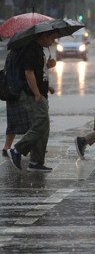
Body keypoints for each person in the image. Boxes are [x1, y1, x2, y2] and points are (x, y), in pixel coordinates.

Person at [7, 30, 59, 172]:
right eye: (52, 37)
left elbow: (37, 72)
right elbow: (28, 73)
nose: (53, 41)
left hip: (39, 93)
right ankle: (17, 149)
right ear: (43, 36)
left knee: (44, 127)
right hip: (31, 94)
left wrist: (48, 71)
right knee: (41, 123)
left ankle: (36, 162)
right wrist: (36, 93)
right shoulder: (31, 50)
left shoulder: (38, 50)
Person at [2, 53, 56, 157]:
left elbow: (34, 72)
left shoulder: (15, 53)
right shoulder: (26, 53)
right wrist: (37, 93)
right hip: (22, 91)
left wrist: (47, 66)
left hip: (15, 91)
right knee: (35, 121)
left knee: (15, 121)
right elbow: (29, 73)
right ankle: (19, 148)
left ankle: (8, 147)